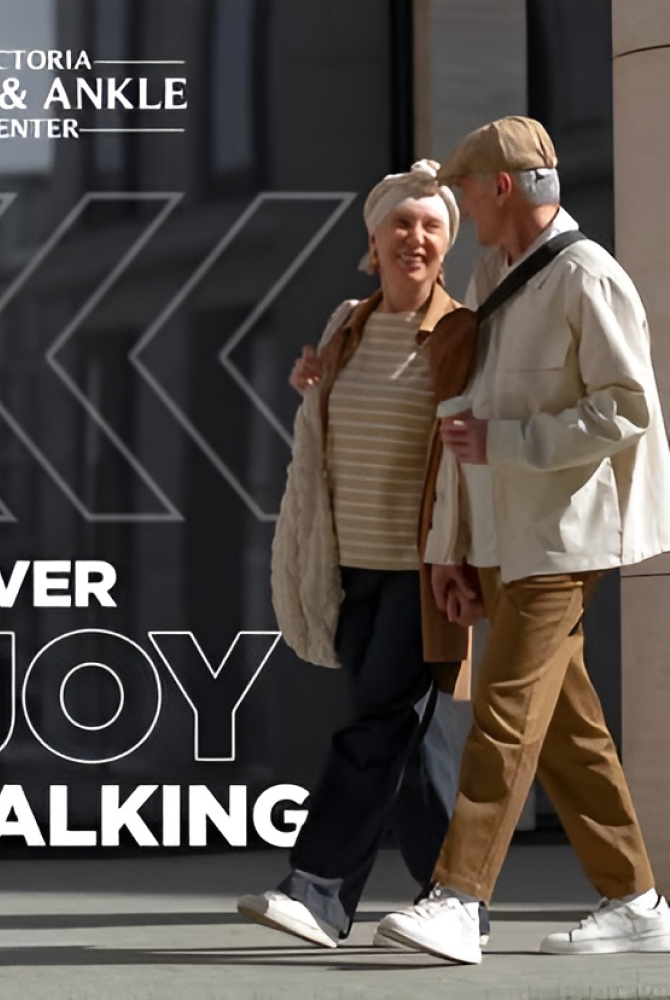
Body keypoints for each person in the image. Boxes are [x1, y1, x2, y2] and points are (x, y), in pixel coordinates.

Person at [375, 116, 670, 965]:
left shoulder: (589, 279)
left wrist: (510, 443)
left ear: (502, 188)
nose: (463, 207)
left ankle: (459, 898)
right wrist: (461, 545)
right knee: (572, 734)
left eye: (468, 192)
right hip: (511, 541)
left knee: (502, 719)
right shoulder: (501, 275)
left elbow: (626, 408)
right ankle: (637, 897)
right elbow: (467, 424)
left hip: (565, 539)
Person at [237, 160, 481, 948]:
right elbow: (330, 424)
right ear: (373, 240)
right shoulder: (348, 319)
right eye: (400, 225)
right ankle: (459, 897)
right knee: (417, 744)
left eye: (431, 227)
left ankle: (317, 893)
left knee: (376, 725)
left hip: (427, 570)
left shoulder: (461, 331)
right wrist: (314, 380)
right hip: (351, 567)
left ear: (449, 244)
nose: (415, 238)